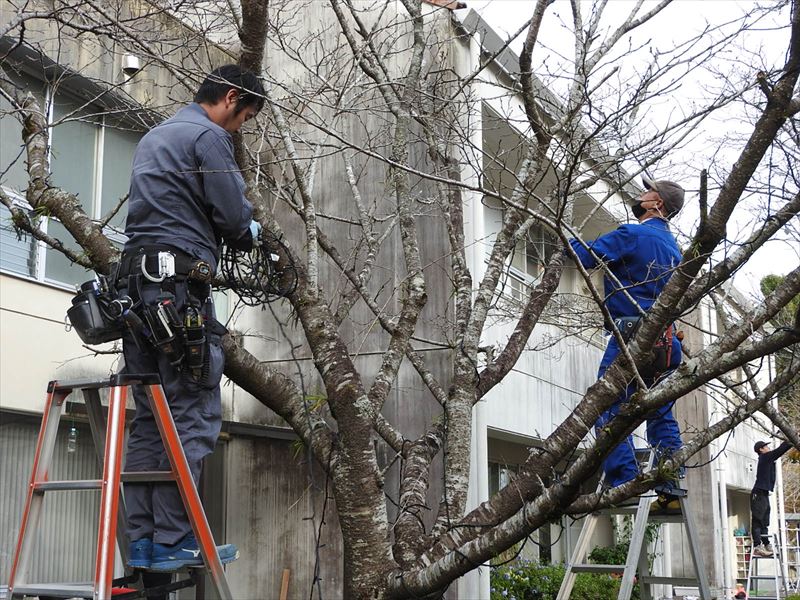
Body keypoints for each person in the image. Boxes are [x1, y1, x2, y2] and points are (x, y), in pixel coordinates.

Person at [117, 64, 264, 571]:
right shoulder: (208, 138)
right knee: (191, 412)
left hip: (138, 293)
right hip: (179, 295)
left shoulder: (156, 136)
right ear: (229, 98)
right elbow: (231, 217)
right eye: (243, 117)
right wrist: (253, 231)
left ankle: (142, 541)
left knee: (149, 418)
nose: (238, 128)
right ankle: (175, 541)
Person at [569, 177, 686, 512]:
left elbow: (586, 257)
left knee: (605, 405)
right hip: (666, 343)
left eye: (647, 193)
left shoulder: (633, 234)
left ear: (657, 204)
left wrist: (567, 242)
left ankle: (623, 482)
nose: (640, 195)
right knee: (660, 413)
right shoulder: (675, 250)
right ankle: (669, 486)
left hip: (631, 337)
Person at [751, 439, 793, 557]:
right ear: (761, 449)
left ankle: (766, 543)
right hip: (758, 493)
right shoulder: (765, 457)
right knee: (758, 519)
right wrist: (790, 441)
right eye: (766, 447)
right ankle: (758, 545)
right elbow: (779, 451)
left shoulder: (766, 459)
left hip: (763, 493)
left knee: (765, 519)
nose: (768, 448)